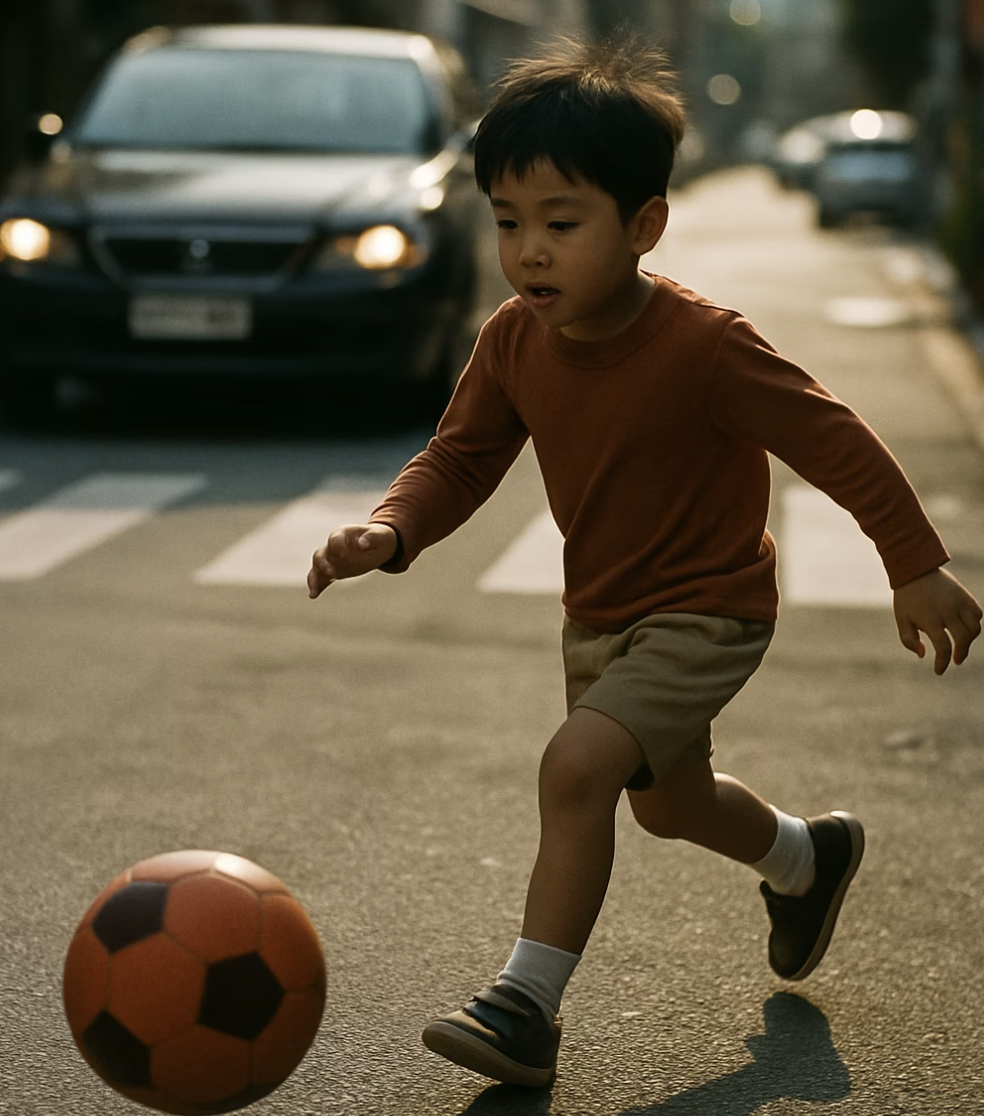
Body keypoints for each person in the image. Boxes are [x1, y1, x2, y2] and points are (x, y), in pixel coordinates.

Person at [307, 36, 983, 1089]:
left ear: (644, 226)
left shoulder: (705, 345)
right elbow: (459, 457)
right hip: (603, 615)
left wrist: (914, 562)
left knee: (576, 766)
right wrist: (391, 530)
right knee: (668, 804)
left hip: (709, 609)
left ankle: (524, 1007)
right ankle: (808, 860)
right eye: (508, 224)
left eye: (562, 225)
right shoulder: (511, 342)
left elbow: (833, 437)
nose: (530, 252)